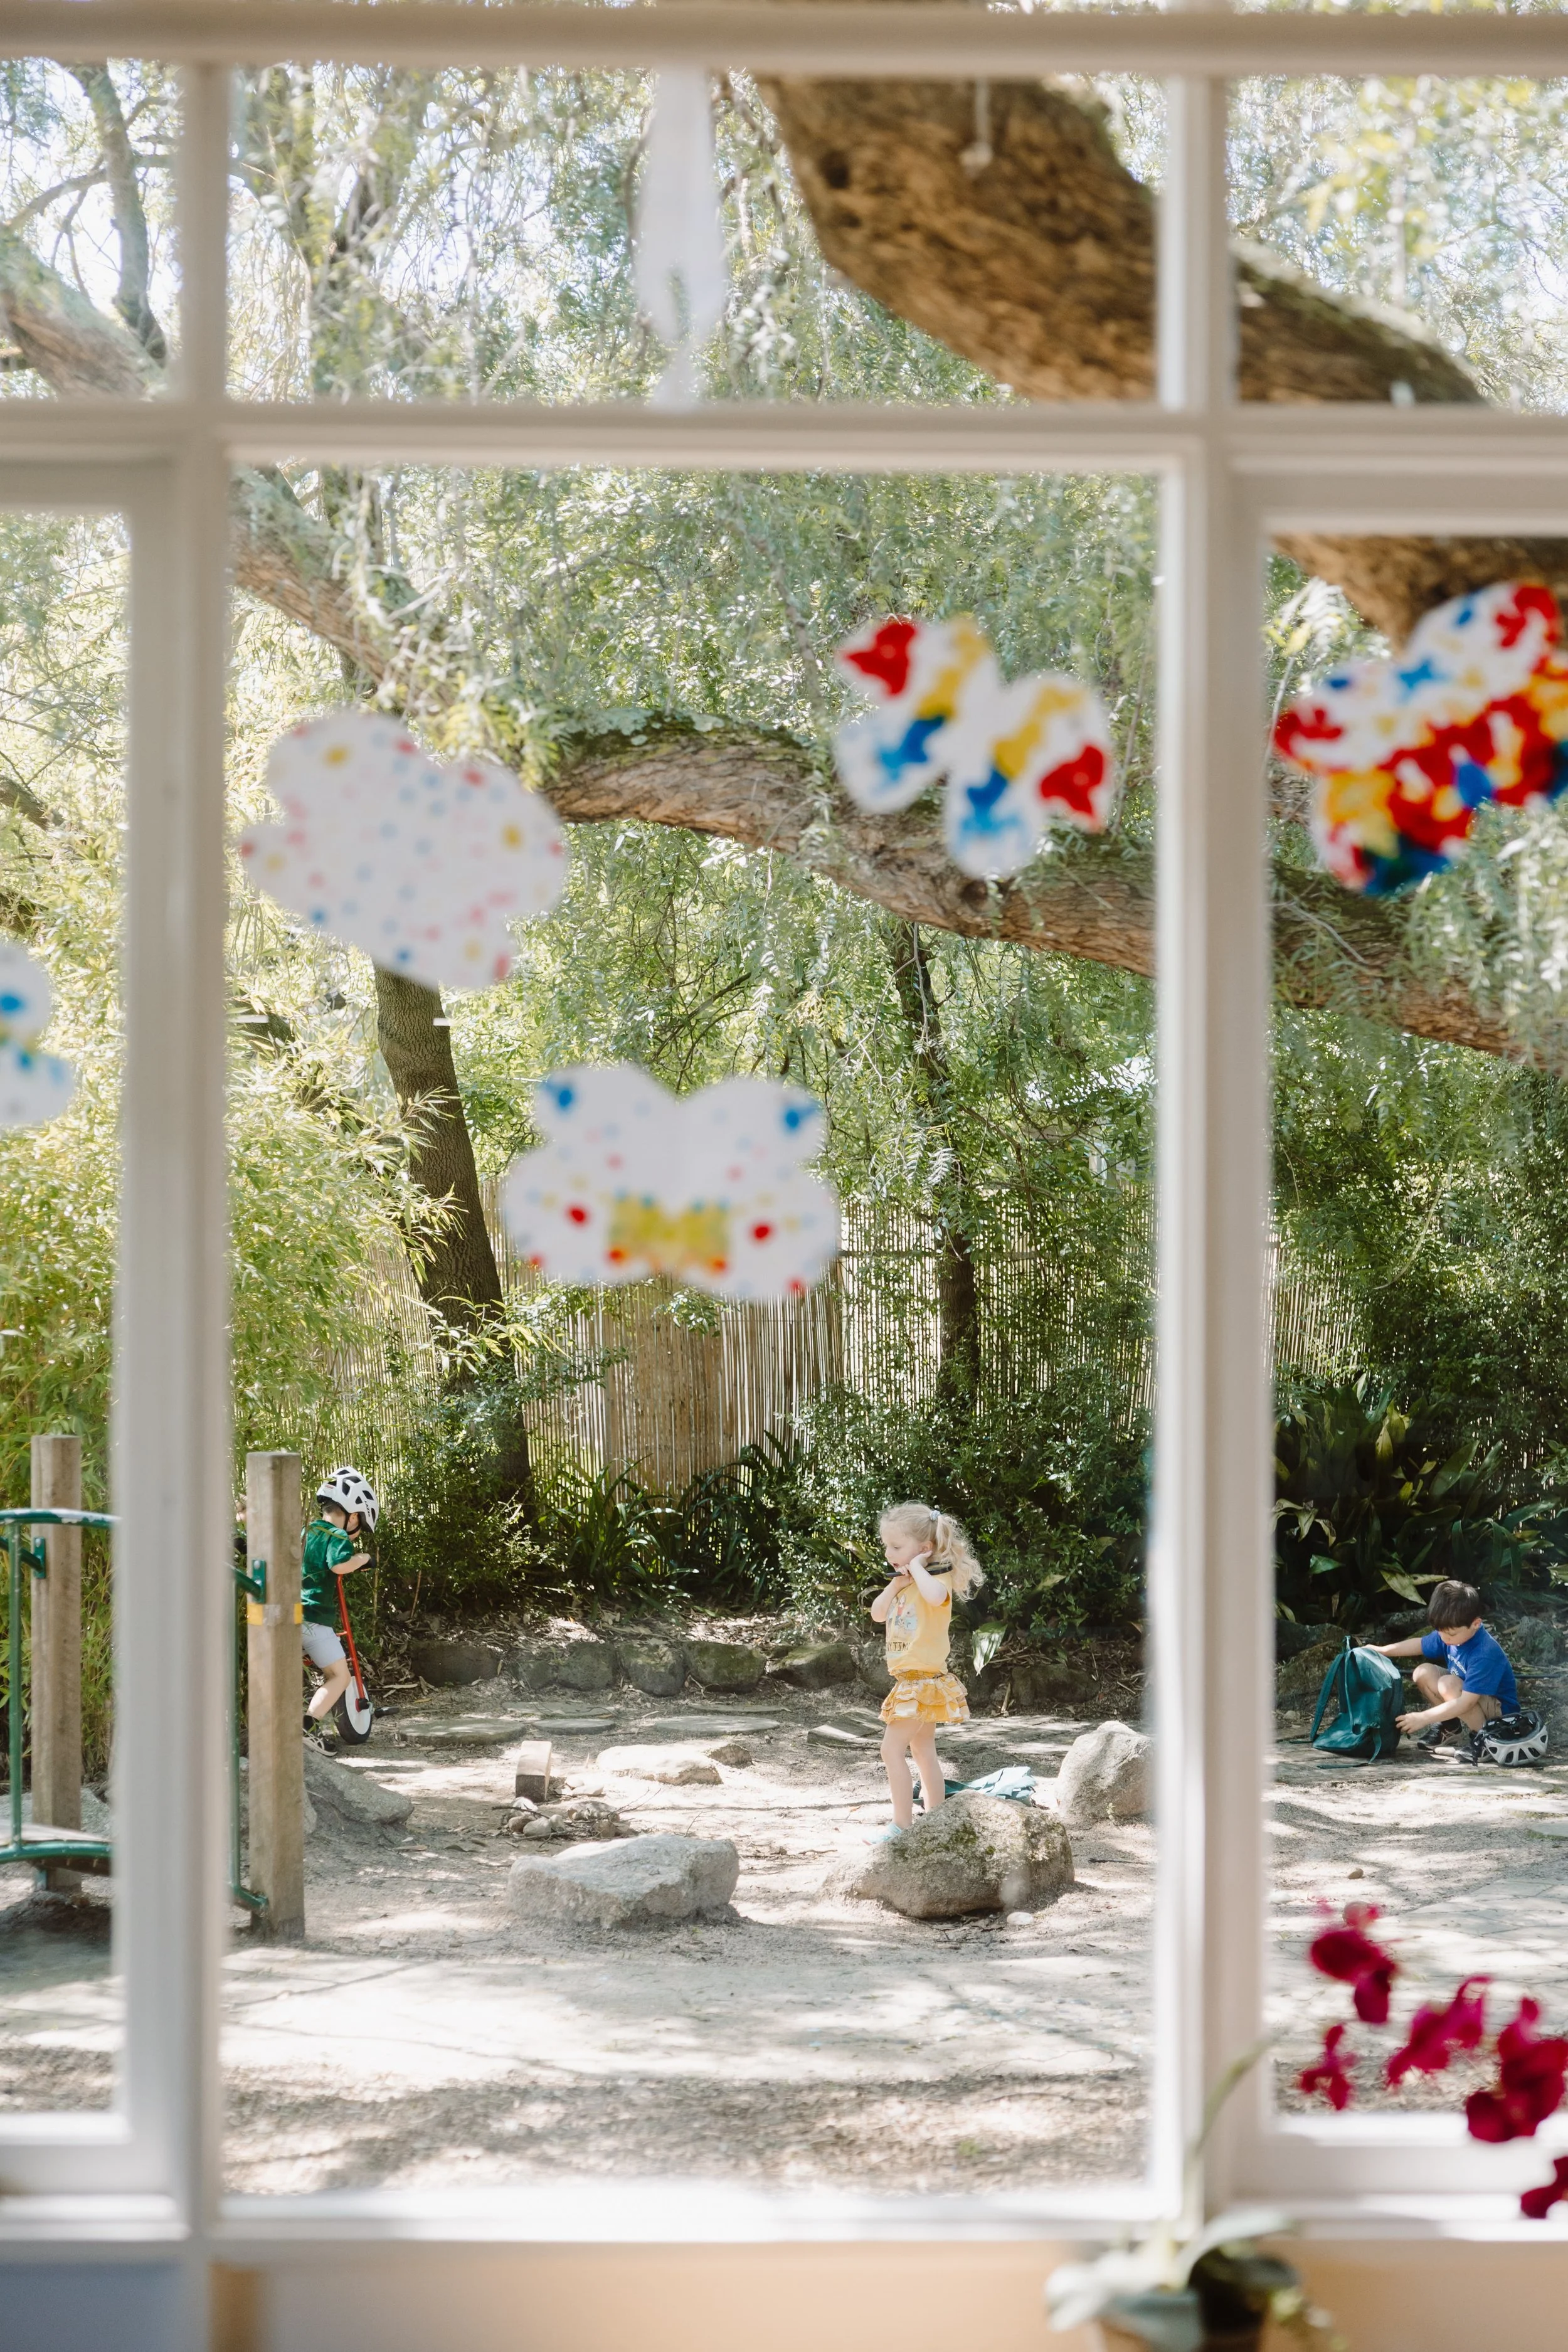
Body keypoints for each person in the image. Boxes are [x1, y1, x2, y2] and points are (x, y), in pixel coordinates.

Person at [869, 1502, 986, 1829]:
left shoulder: (936, 1578)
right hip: (911, 1681)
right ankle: (936, 1822)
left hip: (922, 1681)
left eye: (896, 1546)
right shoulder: (904, 1583)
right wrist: (895, 1585)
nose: (889, 1552)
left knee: (890, 1751)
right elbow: (878, 1613)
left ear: (924, 1549)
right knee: (922, 1751)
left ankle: (901, 1827)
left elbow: (936, 1598)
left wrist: (918, 1568)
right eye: (887, 1546)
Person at [1373, 1577, 1519, 1766]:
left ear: (1476, 1624)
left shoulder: (1485, 1653)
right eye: (1440, 1633)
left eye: (1451, 1635)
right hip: (1470, 1697)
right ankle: (1450, 1727)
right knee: (1423, 1673)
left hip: (1501, 1716)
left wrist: (1423, 1718)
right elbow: (1420, 1644)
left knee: (1448, 1684)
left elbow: (1467, 1702)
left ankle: (1485, 1741)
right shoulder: (1450, 1632)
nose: (1445, 1639)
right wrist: (1382, 1650)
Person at [301, 1466, 378, 1742]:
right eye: (361, 1527)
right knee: (339, 1676)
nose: (358, 1534)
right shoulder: (338, 1536)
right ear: (353, 1516)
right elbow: (339, 1565)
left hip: (287, 1613)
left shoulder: (305, 1531)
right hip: (312, 1619)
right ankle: (307, 1728)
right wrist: (363, 1559)